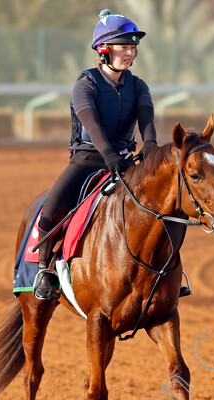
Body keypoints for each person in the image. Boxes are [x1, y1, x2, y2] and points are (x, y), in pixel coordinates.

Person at [33, 9, 190, 301]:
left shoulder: (138, 86)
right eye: (124, 46)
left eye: (133, 47)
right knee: (51, 207)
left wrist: (152, 148)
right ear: (104, 50)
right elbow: (91, 125)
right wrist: (108, 155)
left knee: (166, 206)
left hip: (126, 161)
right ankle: (45, 269)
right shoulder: (85, 85)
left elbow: (147, 121)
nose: (130, 52)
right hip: (87, 160)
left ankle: (171, 270)